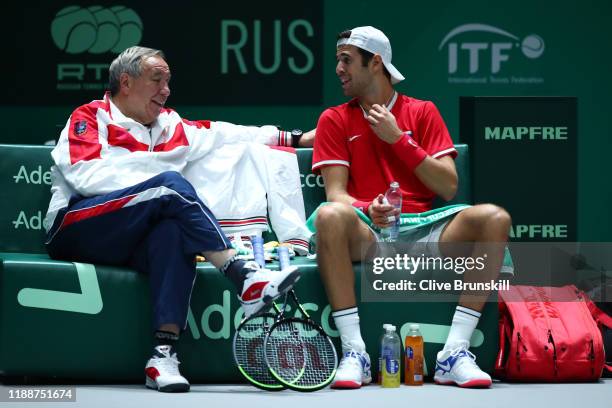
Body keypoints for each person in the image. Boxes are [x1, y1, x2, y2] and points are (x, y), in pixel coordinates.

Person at [43, 46, 303, 392]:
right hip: (77, 225)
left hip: (131, 234)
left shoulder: (171, 127)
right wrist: (157, 179)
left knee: (172, 232)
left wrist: (296, 138)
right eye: (157, 80)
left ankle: (162, 355)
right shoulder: (90, 117)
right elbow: (86, 177)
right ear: (126, 82)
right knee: (170, 188)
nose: (166, 90)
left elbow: (228, 133)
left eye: (168, 82)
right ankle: (241, 275)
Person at [311, 26, 512, 389]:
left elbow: (448, 186)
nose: (338, 69)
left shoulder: (422, 112)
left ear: (375, 63)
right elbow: (335, 195)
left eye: (346, 60)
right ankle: (354, 351)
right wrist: (366, 207)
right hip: (370, 232)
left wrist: (399, 140)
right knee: (329, 216)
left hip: (427, 231)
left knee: (495, 218)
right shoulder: (334, 119)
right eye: (337, 61)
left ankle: (454, 352)